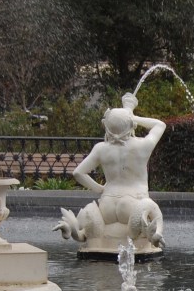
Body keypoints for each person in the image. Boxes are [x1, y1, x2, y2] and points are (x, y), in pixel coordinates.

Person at [54, 93, 166, 248]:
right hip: (133, 203)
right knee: (152, 207)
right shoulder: (142, 146)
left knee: (96, 230)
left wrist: (100, 189)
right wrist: (133, 117)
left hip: (107, 205)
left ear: (107, 126)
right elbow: (160, 125)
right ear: (130, 125)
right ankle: (156, 234)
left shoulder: (101, 149)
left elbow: (78, 173)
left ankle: (75, 232)